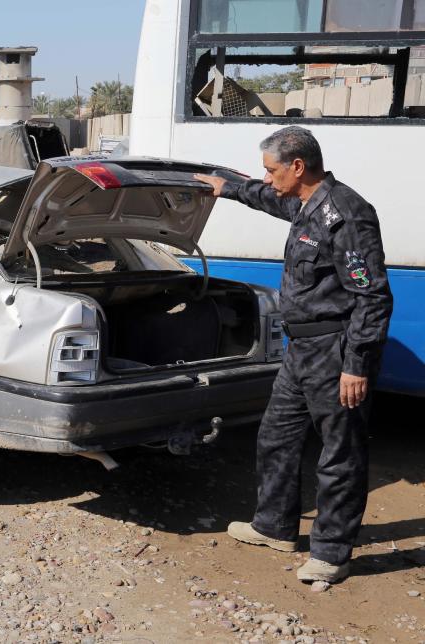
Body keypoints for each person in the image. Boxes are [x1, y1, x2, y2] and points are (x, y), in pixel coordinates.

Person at [195, 126, 393, 584]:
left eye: (271, 170)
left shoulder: (346, 214)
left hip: (334, 350)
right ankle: (274, 526)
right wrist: (228, 189)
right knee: (276, 437)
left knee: (339, 453)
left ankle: (331, 554)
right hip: (300, 349)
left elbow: (373, 297)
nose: (267, 179)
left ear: (298, 167)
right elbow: (267, 199)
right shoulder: (304, 203)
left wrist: (356, 365)